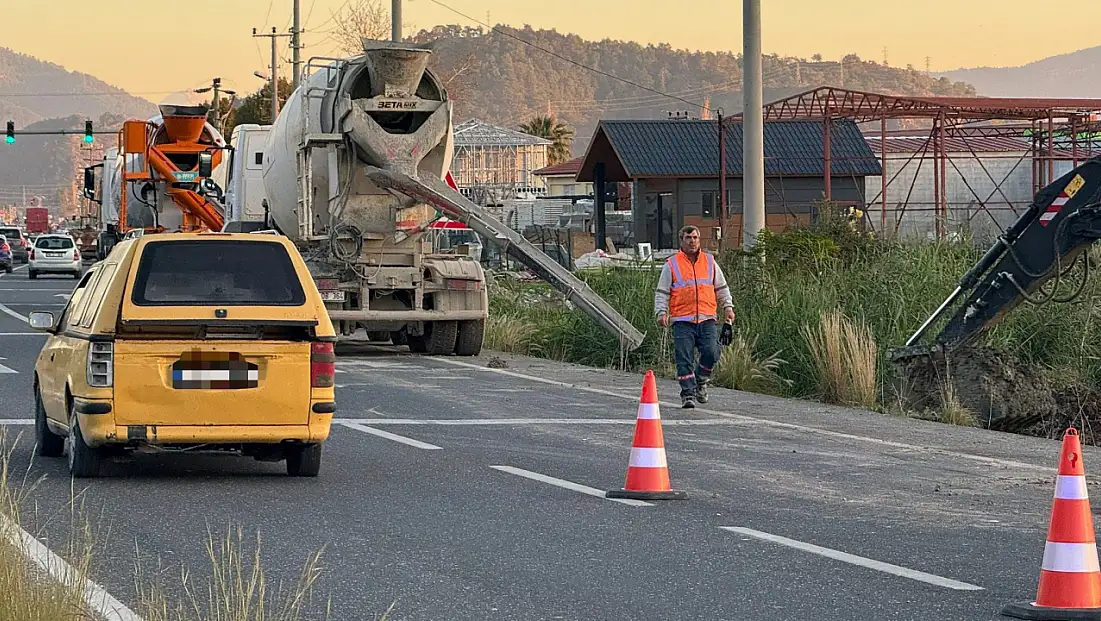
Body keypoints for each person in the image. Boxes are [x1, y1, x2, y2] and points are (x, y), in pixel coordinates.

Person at [653, 225, 735, 408]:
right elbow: (662, 292)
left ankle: (701, 379)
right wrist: (661, 312)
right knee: (684, 358)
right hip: (682, 320)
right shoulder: (672, 264)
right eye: (688, 238)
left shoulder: (709, 262)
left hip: (707, 319)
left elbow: (721, 288)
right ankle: (688, 394)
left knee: (712, 352)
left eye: (695, 238)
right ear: (681, 240)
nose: (692, 241)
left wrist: (728, 307)